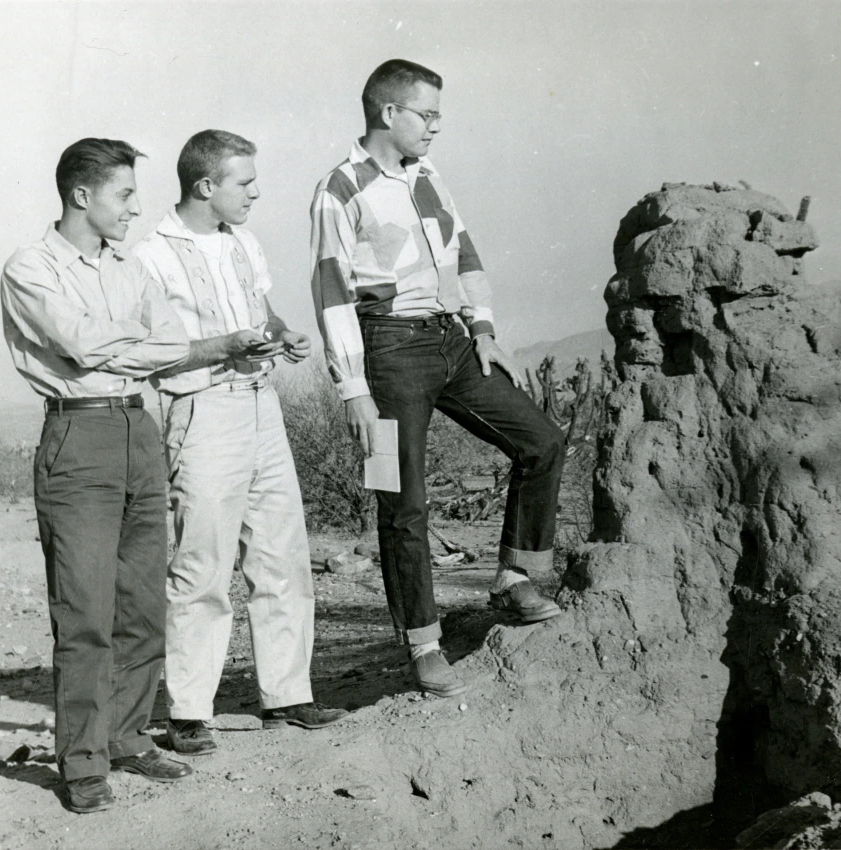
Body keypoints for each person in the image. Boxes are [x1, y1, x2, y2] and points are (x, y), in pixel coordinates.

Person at [0, 138, 243, 813]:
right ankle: (82, 763)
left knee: (141, 604)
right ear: (82, 195)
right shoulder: (29, 268)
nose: (137, 208)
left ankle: (128, 736)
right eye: (126, 194)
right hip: (78, 435)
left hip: (141, 429)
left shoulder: (131, 268)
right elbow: (79, 344)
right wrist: (136, 343)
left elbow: (164, 347)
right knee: (84, 613)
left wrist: (133, 345)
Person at [309, 60, 566, 699]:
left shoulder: (428, 177)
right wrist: (353, 389)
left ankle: (515, 577)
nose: (436, 127)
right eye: (427, 115)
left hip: (450, 340)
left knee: (543, 441)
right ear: (388, 112)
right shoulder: (339, 190)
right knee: (402, 501)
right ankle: (422, 643)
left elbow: (464, 249)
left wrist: (482, 327)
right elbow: (331, 292)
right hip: (387, 351)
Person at [134, 130, 347, 757]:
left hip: (262, 406)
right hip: (199, 413)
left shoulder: (244, 243)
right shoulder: (151, 256)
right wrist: (224, 347)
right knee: (202, 561)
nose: (255, 192)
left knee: (282, 553)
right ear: (206, 187)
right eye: (243, 182)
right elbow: (153, 352)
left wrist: (283, 333)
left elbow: (263, 309)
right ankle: (189, 710)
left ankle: (288, 694)